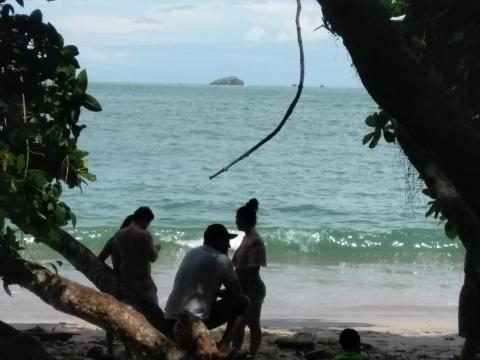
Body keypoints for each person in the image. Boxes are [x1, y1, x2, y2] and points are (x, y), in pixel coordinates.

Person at [164, 223, 249, 354]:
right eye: (226, 241)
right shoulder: (222, 260)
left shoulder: (192, 252)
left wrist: (213, 291)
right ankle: (224, 345)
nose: (229, 246)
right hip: (192, 322)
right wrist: (219, 292)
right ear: (218, 240)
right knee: (243, 301)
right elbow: (237, 292)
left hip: (169, 318)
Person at [231, 198, 266, 358]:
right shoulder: (246, 238)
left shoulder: (256, 241)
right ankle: (236, 352)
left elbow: (253, 271)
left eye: (238, 219)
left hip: (252, 289)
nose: (236, 221)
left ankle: (251, 355)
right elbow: (235, 263)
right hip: (243, 288)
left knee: (248, 324)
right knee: (241, 323)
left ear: (246, 220)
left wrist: (245, 295)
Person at [111, 206, 160, 306]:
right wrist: (157, 249)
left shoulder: (119, 234)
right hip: (143, 281)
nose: (147, 226)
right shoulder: (144, 234)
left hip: (126, 280)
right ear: (144, 219)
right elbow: (153, 258)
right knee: (153, 312)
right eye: (148, 222)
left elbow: (116, 260)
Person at [459, 251, 480, 360]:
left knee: (473, 339)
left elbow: (451, 234)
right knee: (474, 338)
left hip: (472, 286)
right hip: (474, 289)